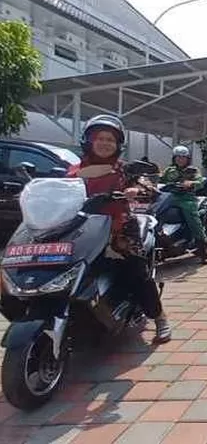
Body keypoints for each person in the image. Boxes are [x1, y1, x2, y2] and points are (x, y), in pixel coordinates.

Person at [68, 115, 171, 343]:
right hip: (80, 230)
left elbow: (151, 190)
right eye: (100, 138)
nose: (105, 143)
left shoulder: (125, 171)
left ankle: (160, 317)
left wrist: (137, 191)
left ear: (118, 145)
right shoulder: (73, 171)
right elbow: (54, 193)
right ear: (89, 140)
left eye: (110, 140)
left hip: (119, 230)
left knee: (135, 271)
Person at [160, 146, 207, 264]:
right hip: (169, 198)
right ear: (174, 158)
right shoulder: (169, 170)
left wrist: (192, 183)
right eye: (178, 157)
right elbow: (160, 180)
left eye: (183, 157)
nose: (180, 159)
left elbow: (200, 181)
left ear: (187, 159)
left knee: (193, 220)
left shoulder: (193, 170)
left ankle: (203, 251)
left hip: (186, 199)